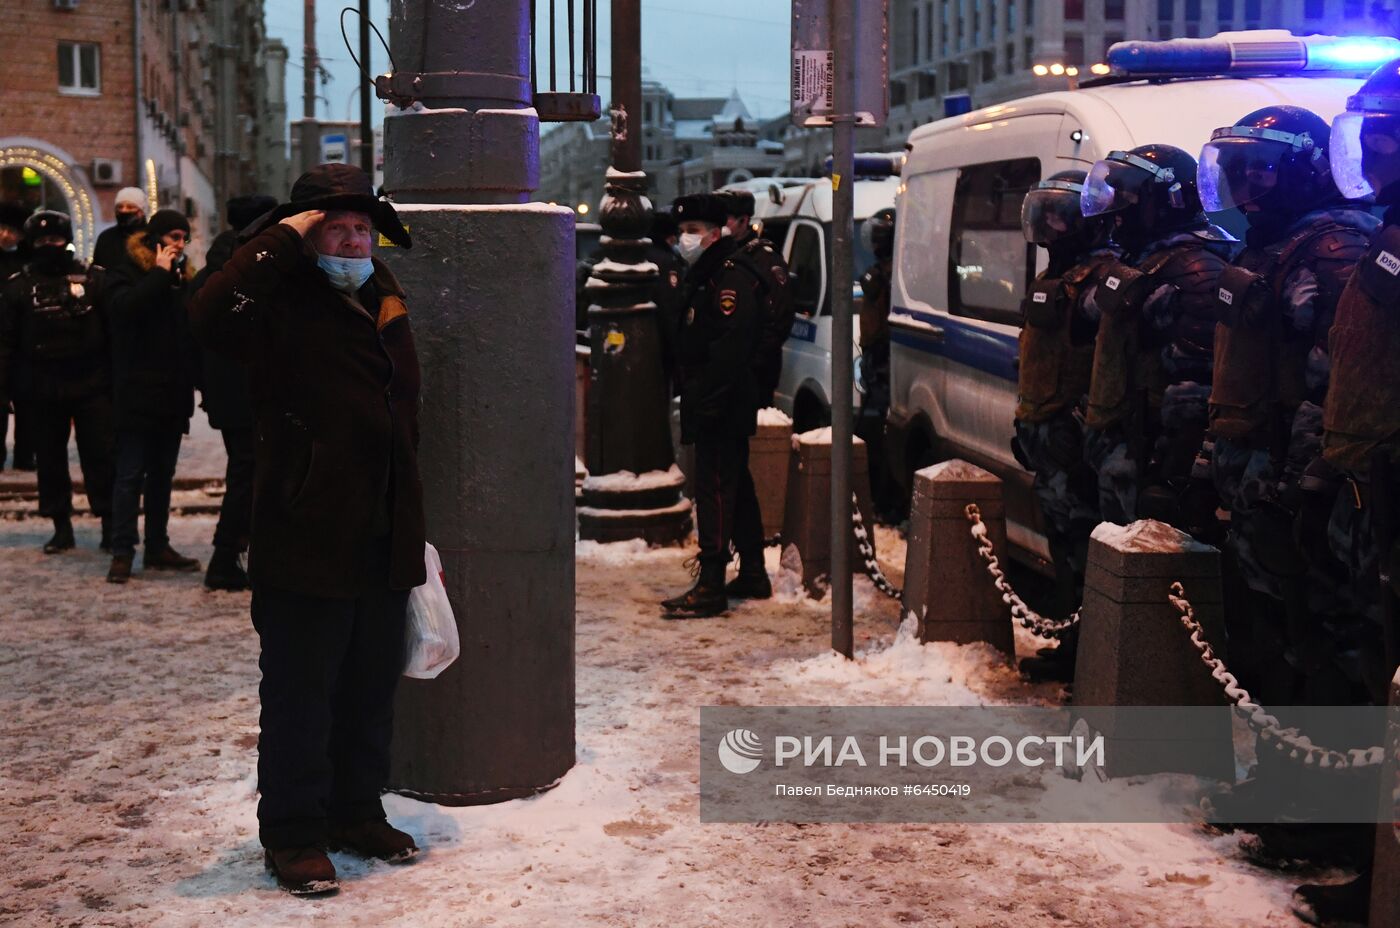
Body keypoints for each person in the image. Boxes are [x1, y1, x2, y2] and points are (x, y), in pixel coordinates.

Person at [188, 163, 425, 895]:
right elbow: (207, 317)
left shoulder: (384, 296)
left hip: (385, 533)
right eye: (335, 228)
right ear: (305, 234)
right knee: (301, 694)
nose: (353, 240)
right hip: (306, 530)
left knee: (368, 690)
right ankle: (292, 835)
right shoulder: (277, 298)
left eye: (362, 228)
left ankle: (355, 811)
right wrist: (280, 242)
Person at [1196, 106, 1379, 707]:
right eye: (1237, 173)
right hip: (1256, 477)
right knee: (1273, 635)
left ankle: (1313, 793)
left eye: (1260, 173)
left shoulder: (1331, 250)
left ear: (1302, 170)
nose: (1245, 188)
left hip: (1292, 484)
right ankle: (1280, 778)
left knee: (1318, 642)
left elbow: (1339, 382)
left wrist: (1302, 484)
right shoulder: (1271, 248)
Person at [1079, 144, 1236, 530]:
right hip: (1127, 452)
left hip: (1156, 461)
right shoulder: (1146, 262)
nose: (1118, 214)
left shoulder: (1195, 270)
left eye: (1130, 199)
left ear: (1168, 202)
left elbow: (1199, 391)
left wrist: (1172, 474)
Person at [1013, 173, 1119, 678]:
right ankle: (1075, 644)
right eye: (1045, 214)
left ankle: (1090, 656)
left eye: (1060, 215)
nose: (1049, 226)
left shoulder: (1102, 280)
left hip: (1074, 438)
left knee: (1084, 546)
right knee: (1062, 544)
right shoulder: (1055, 279)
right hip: (1045, 433)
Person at [661, 193, 765, 616]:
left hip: (720, 403)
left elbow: (730, 347)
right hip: (717, 399)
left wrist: (707, 402)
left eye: (693, 232)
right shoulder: (708, 272)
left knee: (716, 491)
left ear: (715, 233)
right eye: (682, 231)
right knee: (733, 487)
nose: (685, 239)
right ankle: (754, 572)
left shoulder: (727, 276)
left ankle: (711, 585)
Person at [0, 210, 114, 553]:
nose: (49, 246)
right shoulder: (19, 286)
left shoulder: (94, 280)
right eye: (42, 241)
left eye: (55, 240)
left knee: (100, 456)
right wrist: (5, 388)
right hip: (41, 385)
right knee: (49, 460)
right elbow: (6, 342)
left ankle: (110, 524)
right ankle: (60, 525)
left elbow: (111, 333)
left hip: (91, 383)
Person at [102, 209, 201, 583]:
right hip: (135, 392)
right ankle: (122, 550)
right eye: (174, 236)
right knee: (130, 475)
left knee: (162, 475)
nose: (179, 244)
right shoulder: (126, 271)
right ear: (155, 238)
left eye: (184, 237)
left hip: (171, 394)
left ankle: (157, 546)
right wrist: (159, 274)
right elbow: (124, 310)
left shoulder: (183, 277)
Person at [190, 194, 277, 591]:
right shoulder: (253, 265)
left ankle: (237, 554)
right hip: (249, 388)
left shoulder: (212, 269)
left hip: (227, 390)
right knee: (249, 473)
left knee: (248, 471)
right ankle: (226, 556)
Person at [856, 206, 901, 523]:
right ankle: (876, 499)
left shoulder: (890, 275)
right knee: (869, 433)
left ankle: (885, 502)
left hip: (884, 362)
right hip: (875, 361)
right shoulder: (882, 272)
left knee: (876, 434)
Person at [0, 200, 30, 471]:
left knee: (26, 401)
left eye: (13, 231)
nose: (7, 236)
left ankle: (24, 454)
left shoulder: (26, 262)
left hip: (22, 340)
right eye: (3, 229)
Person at [92, 187, 147, 271]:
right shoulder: (106, 238)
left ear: (141, 211)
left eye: (130, 207)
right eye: (120, 207)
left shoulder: (150, 237)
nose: (124, 210)